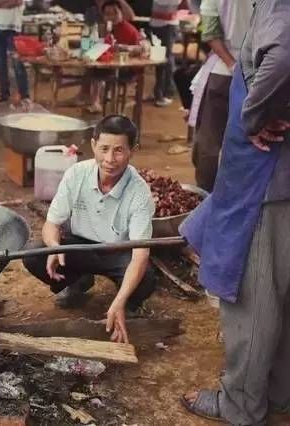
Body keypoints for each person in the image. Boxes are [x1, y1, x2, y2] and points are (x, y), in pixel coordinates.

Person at [180, 1, 290, 423]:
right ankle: (279, 390)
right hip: (274, 177)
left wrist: (254, 115)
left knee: (256, 299)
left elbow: (281, 54)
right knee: (282, 293)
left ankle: (241, 404)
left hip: (266, 180)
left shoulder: (279, 10)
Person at [23, 115, 156, 344]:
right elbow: (51, 224)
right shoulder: (76, 174)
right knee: (35, 254)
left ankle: (128, 301)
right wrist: (55, 247)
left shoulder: (139, 192)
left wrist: (119, 301)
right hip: (79, 244)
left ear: (132, 151)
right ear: (93, 145)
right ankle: (78, 281)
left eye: (119, 151)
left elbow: (140, 254)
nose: (109, 159)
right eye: (103, 149)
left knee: (146, 279)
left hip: (118, 252)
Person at [189, 0, 253, 192]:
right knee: (251, 139)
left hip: (223, 72)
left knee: (209, 140)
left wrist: (233, 65)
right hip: (264, 72)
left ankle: (206, 195)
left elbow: (210, 33)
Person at [86, 0, 142, 113]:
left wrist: (127, 48)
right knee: (93, 70)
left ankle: (115, 108)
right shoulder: (104, 29)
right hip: (109, 65)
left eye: (114, 13)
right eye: (107, 14)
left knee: (106, 73)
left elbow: (141, 48)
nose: (111, 17)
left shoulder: (130, 30)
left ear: (122, 13)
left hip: (127, 68)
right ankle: (95, 102)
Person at [0, 0, 31, 107]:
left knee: (17, 63)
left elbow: (17, 1)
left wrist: (1, 4)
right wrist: (6, 4)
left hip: (13, 28)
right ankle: (3, 93)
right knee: (0, 62)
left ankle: (24, 96)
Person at [149, 0, 189, 107]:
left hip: (168, 26)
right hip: (155, 24)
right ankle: (158, 91)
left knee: (166, 59)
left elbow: (172, 10)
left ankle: (167, 92)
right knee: (158, 59)